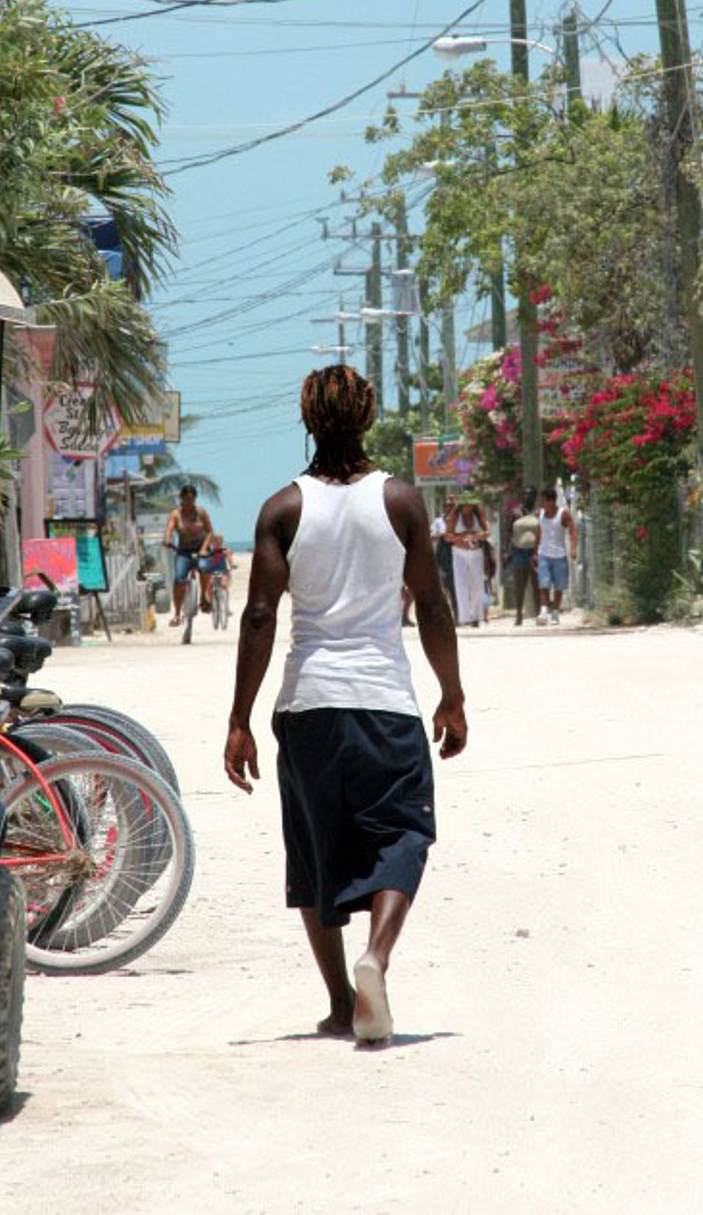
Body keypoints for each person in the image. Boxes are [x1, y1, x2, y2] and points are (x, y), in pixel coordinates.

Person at [223, 365, 467, 1044]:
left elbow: (259, 616)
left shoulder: (282, 508)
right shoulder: (400, 500)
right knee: (402, 835)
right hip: (385, 702)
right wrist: (451, 694)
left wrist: (240, 719)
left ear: (307, 419)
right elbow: (435, 608)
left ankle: (339, 1001)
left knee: (315, 851)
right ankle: (376, 958)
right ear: (366, 417)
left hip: (309, 707)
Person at [163, 485, 214, 626]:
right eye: (186, 498)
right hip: (183, 550)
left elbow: (210, 532)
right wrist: (167, 539)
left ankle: (204, 596)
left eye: (192, 499)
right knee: (179, 579)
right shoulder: (175, 514)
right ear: (181, 498)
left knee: (205, 568)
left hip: (201, 548)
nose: (189, 501)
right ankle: (177, 614)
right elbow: (170, 528)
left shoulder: (201, 513)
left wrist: (204, 549)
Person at [534, 485, 577, 626]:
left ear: (551, 501)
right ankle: (543, 611)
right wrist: (535, 552)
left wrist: (573, 548)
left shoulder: (563, 514)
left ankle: (555, 613)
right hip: (544, 554)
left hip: (559, 555)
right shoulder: (539, 514)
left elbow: (572, 530)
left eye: (544, 501)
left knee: (558, 587)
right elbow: (539, 533)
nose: (542, 504)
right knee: (543, 584)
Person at [446, 497, 489, 628]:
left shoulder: (478, 514)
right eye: (466, 505)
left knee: (477, 586)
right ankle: (464, 617)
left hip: (476, 553)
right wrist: (463, 536)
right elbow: (448, 537)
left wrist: (476, 535)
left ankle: (476, 616)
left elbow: (487, 533)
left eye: (471, 505)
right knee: (461, 585)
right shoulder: (454, 516)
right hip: (459, 553)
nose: (468, 507)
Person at [508, 490, 540, 627]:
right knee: (519, 585)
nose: (527, 497)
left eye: (530, 495)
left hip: (535, 551)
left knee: (536, 584)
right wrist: (505, 551)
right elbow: (508, 531)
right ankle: (519, 614)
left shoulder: (539, 513)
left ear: (534, 497)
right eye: (525, 494)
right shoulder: (515, 513)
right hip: (519, 551)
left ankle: (539, 613)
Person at [430, 494, 458, 617]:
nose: (449, 508)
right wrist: (443, 535)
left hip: (457, 554)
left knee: (455, 586)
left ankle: (457, 613)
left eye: (451, 506)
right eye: (446, 506)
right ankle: (444, 614)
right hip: (442, 556)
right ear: (443, 508)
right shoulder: (438, 522)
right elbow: (430, 536)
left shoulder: (458, 520)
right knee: (443, 584)